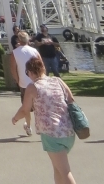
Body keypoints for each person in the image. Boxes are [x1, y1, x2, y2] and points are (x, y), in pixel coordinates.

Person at [12, 55, 77, 184]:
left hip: (51, 134)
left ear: (30, 72)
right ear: (43, 69)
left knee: (65, 172)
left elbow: (25, 109)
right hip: (68, 131)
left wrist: (15, 118)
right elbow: (71, 100)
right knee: (58, 169)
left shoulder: (32, 87)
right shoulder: (58, 81)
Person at [10, 30, 40, 136]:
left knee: (26, 106)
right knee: (38, 105)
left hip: (24, 83)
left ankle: (28, 125)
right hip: (36, 82)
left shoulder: (14, 53)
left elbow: (13, 69)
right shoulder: (34, 51)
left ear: (18, 40)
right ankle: (40, 125)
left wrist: (17, 80)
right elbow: (41, 66)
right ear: (28, 40)